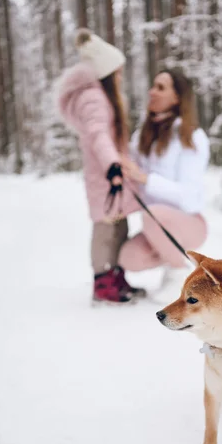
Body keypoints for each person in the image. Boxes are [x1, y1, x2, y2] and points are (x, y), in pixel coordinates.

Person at [55, 29, 144, 304]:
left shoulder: (99, 97)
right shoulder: (93, 98)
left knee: (119, 227)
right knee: (106, 229)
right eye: (116, 73)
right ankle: (103, 282)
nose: (119, 78)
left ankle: (115, 277)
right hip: (105, 176)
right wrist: (112, 165)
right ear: (105, 73)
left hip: (111, 175)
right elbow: (98, 135)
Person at [119, 68, 209, 300]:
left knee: (152, 215)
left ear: (177, 97)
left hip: (190, 223)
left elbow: (188, 197)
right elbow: (131, 170)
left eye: (161, 87)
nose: (152, 92)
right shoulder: (143, 135)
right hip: (156, 224)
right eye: (153, 85)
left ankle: (180, 275)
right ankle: (172, 260)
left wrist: (146, 179)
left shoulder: (191, 137)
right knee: (128, 258)